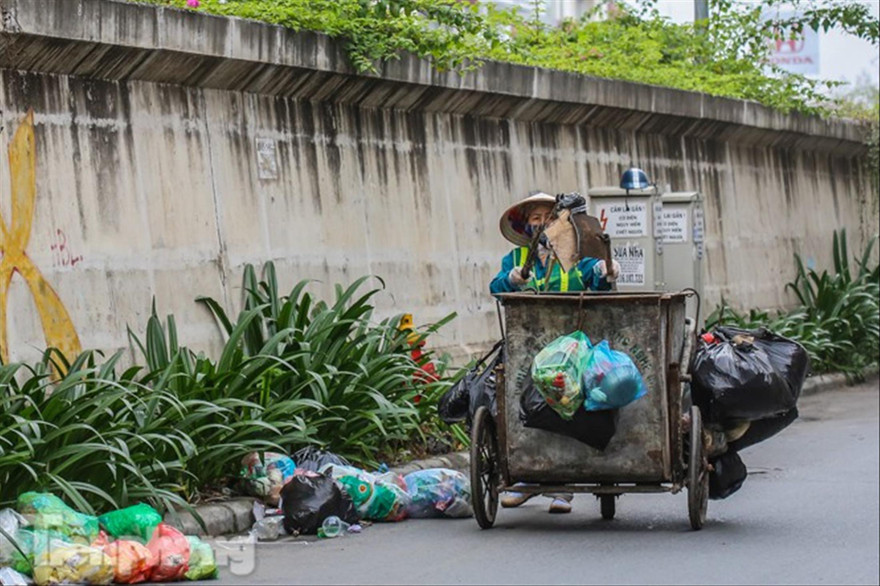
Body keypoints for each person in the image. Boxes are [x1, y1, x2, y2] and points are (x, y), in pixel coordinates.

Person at [490, 191, 621, 514]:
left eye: (548, 217)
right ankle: (526, 477)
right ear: (527, 226)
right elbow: (496, 287)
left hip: (572, 345)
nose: (542, 224)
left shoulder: (577, 251)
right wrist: (512, 279)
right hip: (529, 343)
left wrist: (607, 271)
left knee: (569, 406)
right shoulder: (517, 257)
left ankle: (563, 487)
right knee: (520, 404)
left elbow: (597, 278)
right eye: (535, 218)